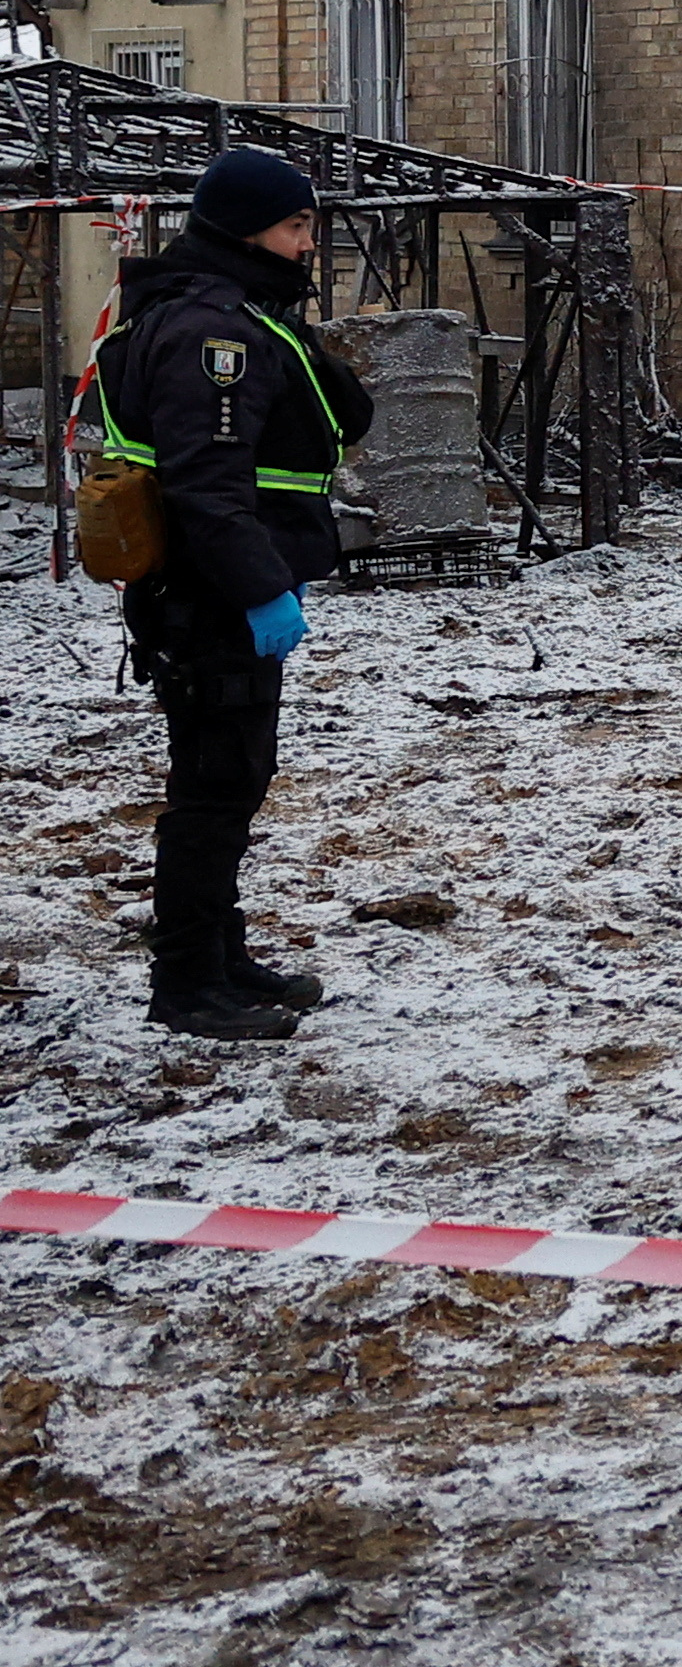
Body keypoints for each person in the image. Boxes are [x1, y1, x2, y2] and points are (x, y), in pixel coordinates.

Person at [87, 148, 372, 1042]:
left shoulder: (239, 313)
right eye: (296, 229)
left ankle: (220, 953)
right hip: (207, 594)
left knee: (231, 779)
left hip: (212, 587)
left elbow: (329, 413)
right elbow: (209, 487)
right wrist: (260, 593)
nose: (307, 246)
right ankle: (186, 982)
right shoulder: (215, 335)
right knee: (214, 787)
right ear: (249, 229)